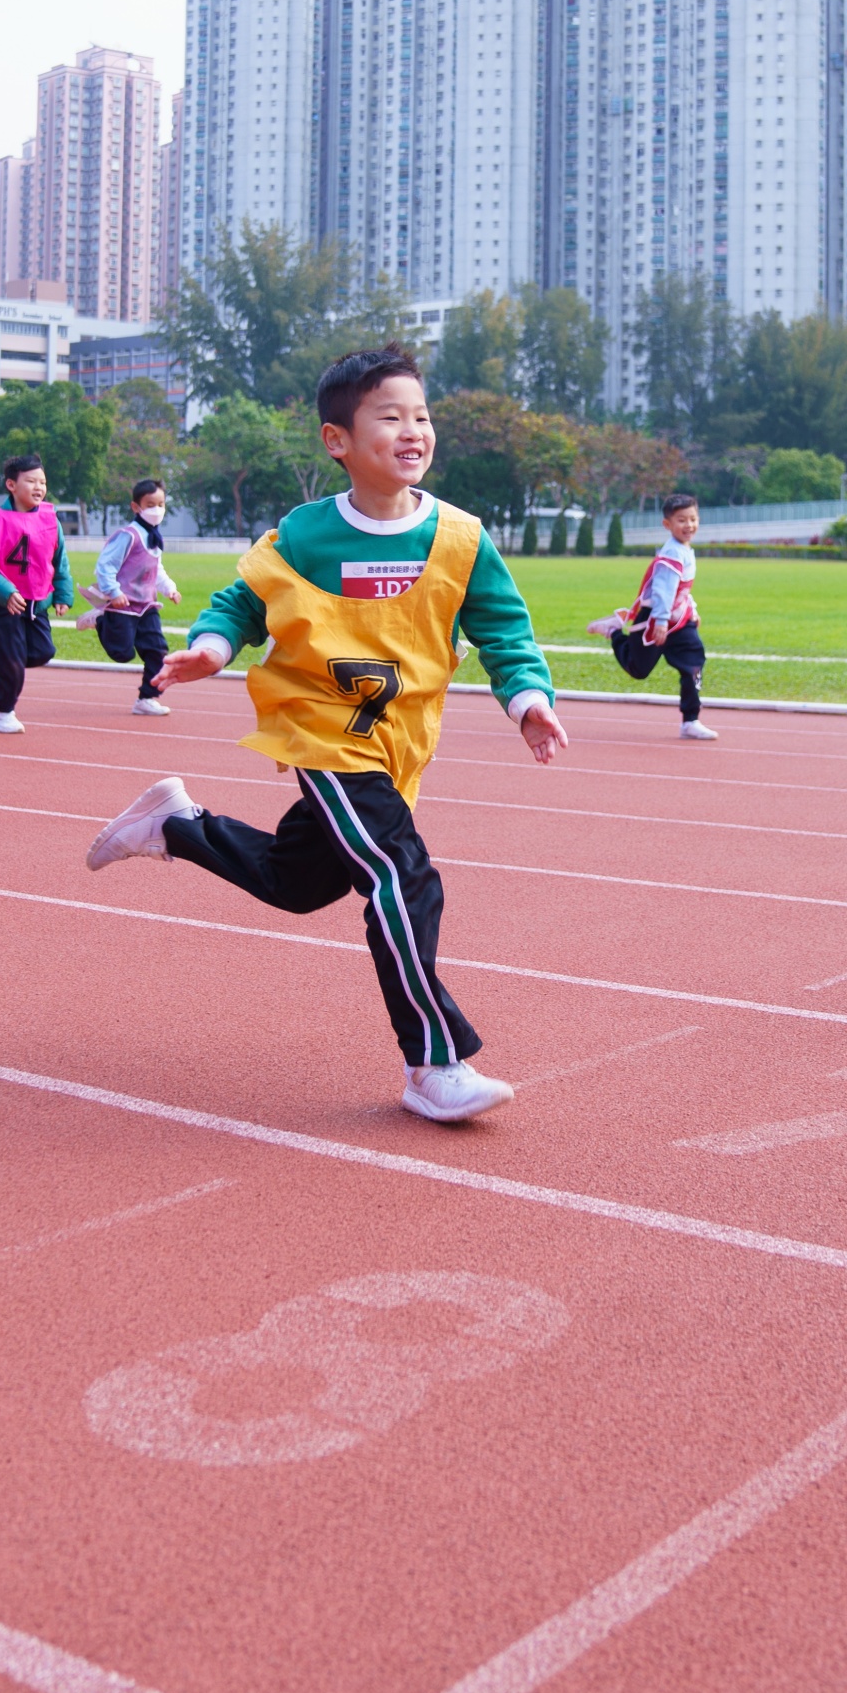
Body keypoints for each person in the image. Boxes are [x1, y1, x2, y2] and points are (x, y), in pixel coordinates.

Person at [84, 343, 568, 1124]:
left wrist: (528, 701)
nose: (413, 431)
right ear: (337, 440)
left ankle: (174, 825)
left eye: (422, 416)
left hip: (398, 740)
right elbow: (243, 601)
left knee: (300, 882)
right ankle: (433, 1062)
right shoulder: (307, 535)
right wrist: (212, 648)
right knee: (400, 873)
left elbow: (506, 632)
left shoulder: (460, 539)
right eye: (391, 417)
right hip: (321, 730)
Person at [589, 489, 717, 739]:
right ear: (667, 524)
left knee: (693, 661)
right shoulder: (672, 553)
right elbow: (663, 590)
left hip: (678, 621)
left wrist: (692, 609)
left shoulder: (685, 550)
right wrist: (660, 621)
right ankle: (614, 631)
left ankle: (690, 720)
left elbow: (682, 588)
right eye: (681, 520)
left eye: (693, 519)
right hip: (656, 617)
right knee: (639, 669)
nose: (689, 525)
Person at [0, 453, 74, 734]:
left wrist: (63, 594)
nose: (39, 487)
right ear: (11, 485)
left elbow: (59, 560)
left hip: (37, 599)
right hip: (3, 601)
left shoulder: (51, 520)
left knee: (42, 652)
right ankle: (2, 713)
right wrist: (5, 591)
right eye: (31, 481)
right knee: (13, 662)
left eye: (43, 482)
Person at [86, 477, 182, 715]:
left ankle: (146, 699)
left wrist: (169, 589)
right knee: (122, 653)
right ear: (136, 507)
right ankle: (101, 620)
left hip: (147, 605)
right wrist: (114, 592)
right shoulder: (128, 535)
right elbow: (105, 565)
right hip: (123, 605)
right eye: (150, 505)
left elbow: (156, 569)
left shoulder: (155, 538)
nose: (156, 510)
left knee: (158, 651)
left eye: (161, 504)